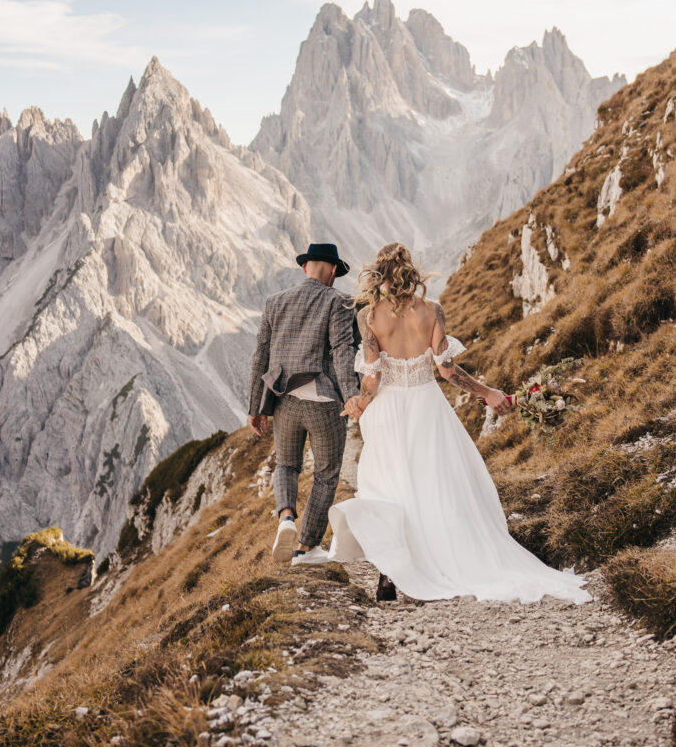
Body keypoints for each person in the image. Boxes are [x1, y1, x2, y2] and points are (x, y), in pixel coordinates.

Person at [329, 242, 592, 606]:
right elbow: (447, 370)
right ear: (410, 272)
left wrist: (360, 403)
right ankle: (440, 555)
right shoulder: (432, 310)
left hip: (387, 411)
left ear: (381, 276)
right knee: (433, 485)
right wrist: (488, 392)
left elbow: (372, 380)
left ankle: (390, 572)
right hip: (426, 406)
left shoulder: (369, 316)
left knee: (387, 488)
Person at [247, 242, 360, 566]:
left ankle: (286, 518)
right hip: (324, 403)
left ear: (304, 267)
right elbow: (343, 351)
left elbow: (260, 357)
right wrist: (351, 395)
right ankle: (307, 547)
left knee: (286, 465)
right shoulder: (339, 301)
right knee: (326, 473)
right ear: (334, 269)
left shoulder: (275, 302)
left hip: (284, 401)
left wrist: (255, 407)